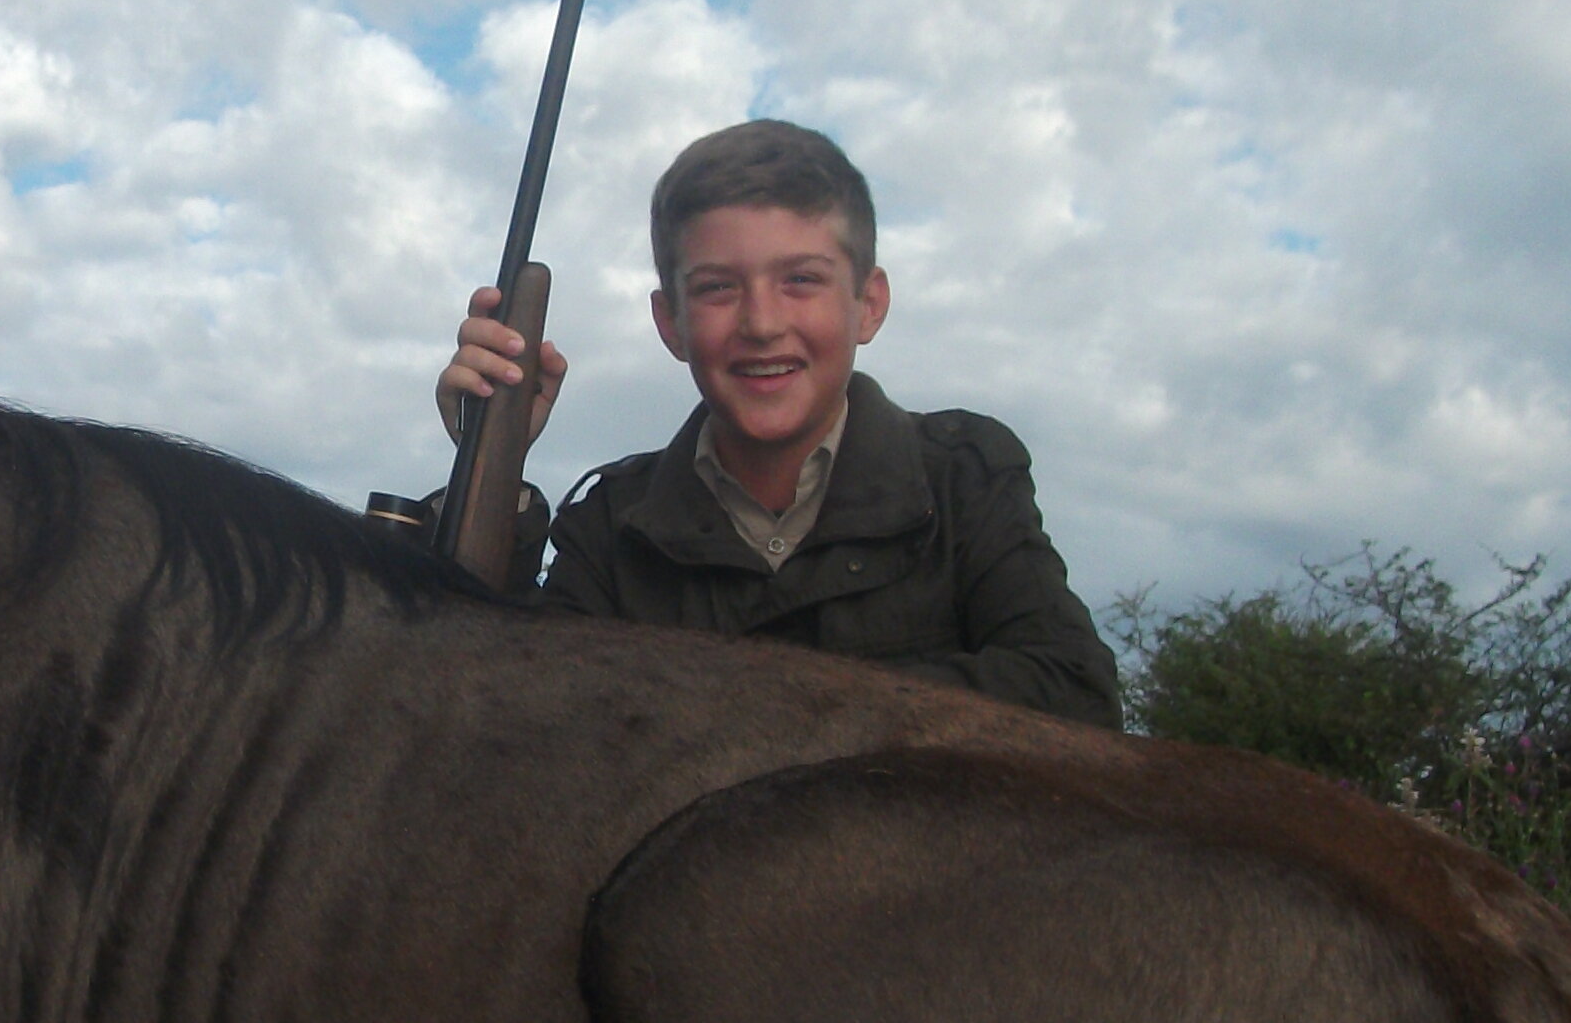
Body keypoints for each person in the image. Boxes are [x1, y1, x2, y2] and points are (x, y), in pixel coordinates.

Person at [436, 118, 1119, 727]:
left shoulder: (966, 477)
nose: (762, 324)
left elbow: (1073, 692)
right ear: (670, 323)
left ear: (869, 304)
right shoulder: (613, 526)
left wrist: (758, 708)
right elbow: (507, 710)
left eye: (801, 280)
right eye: (717, 288)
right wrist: (491, 472)